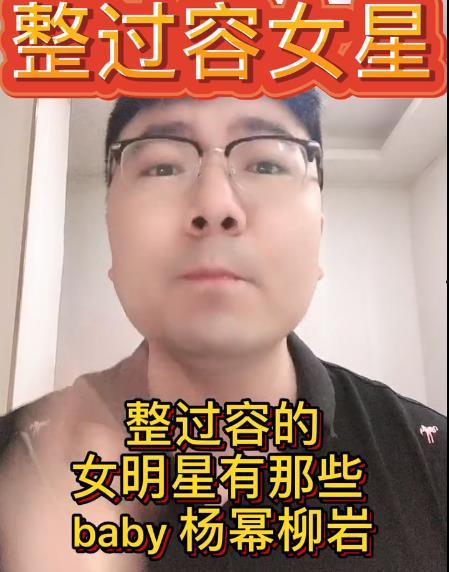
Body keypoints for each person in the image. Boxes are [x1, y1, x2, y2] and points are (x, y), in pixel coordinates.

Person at [0, 92, 446, 571]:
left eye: (267, 165)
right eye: (162, 167)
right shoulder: (15, 465)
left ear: (318, 235)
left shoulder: (432, 461)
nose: (214, 205)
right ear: (113, 236)